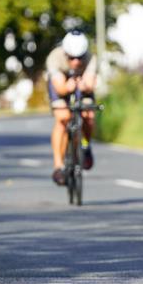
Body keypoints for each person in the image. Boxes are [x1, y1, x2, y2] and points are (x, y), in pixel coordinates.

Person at [46, 30, 97, 185]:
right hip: (61, 85)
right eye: (72, 57)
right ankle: (58, 166)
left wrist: (85, 86)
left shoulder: (90, 58)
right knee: (63, 118)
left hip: (81, 86)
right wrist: (67, 88)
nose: (76, 61)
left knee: (89, 115)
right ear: (65, 53)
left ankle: (85, 146)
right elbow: (59, 87)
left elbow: (90, 83)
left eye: (79, 57)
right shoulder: (55, 58)